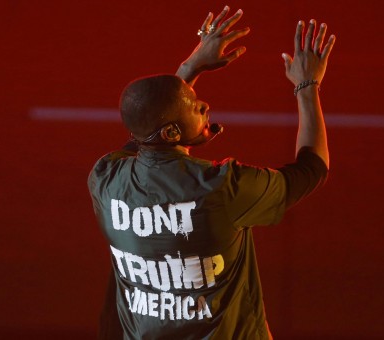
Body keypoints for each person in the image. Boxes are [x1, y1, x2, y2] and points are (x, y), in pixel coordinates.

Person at [88, 6, 335, 339]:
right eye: (193, 104)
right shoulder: (219, 188)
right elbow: (312, 169)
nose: (204, 106)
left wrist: (192, 66)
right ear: (173, 134)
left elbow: (146, 132)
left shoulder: (105, 179)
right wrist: (307, 86)